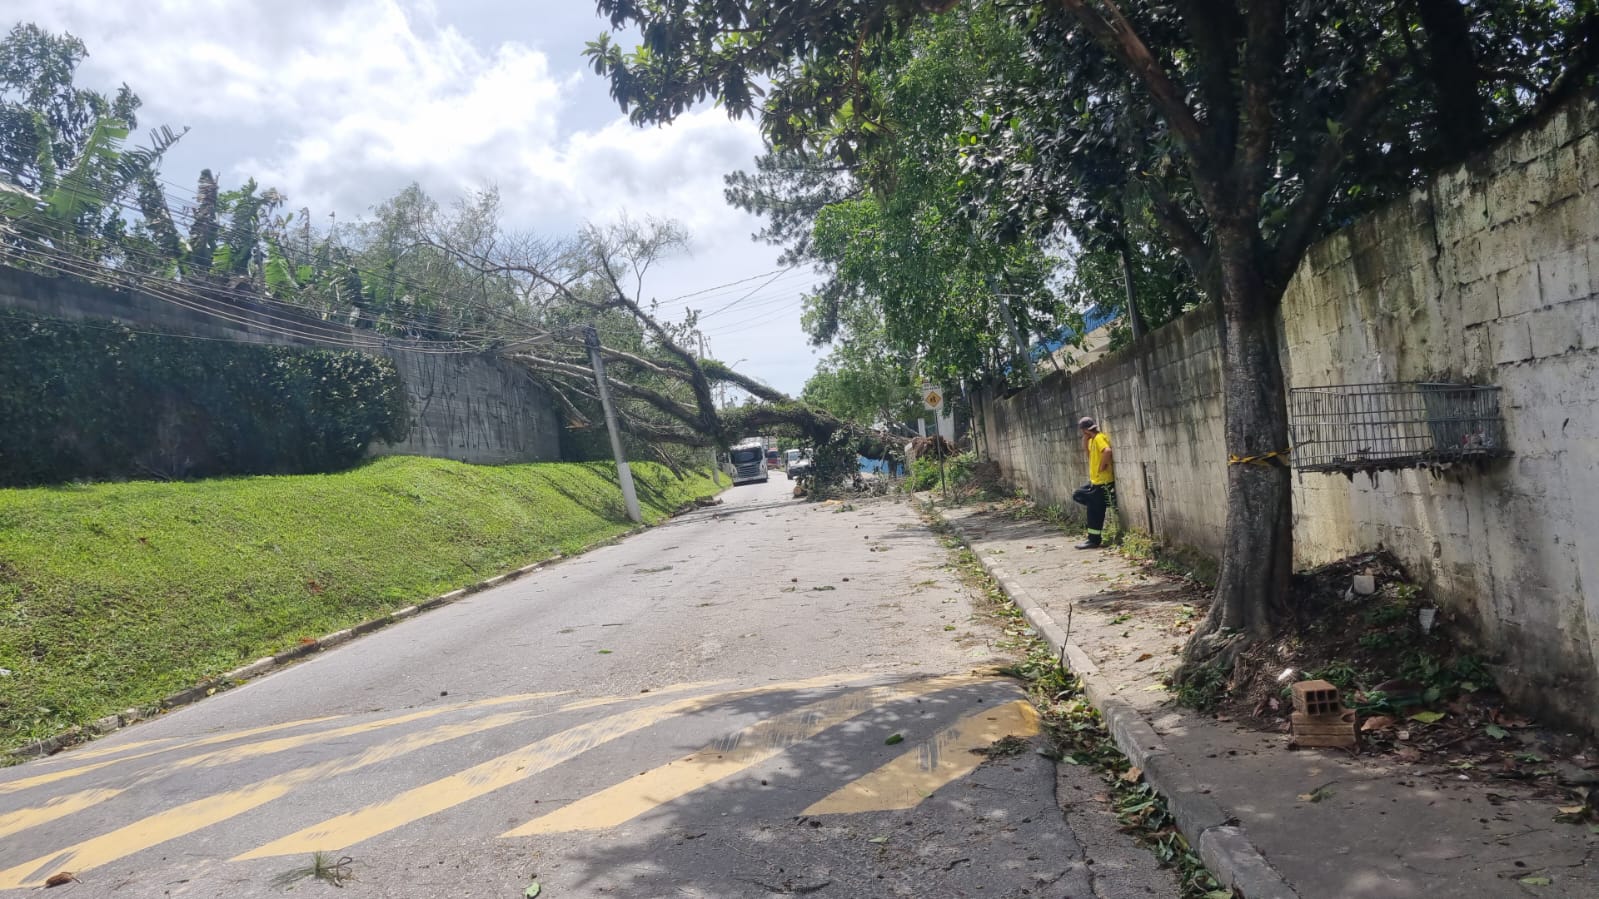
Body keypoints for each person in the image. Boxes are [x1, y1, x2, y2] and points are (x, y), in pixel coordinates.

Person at [1074, 416, 1115, 549]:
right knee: (1079, 495)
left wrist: (1102, 466)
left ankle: (1093, 540)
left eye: (1083, 431)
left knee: (1094, 512)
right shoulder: (1092, 440)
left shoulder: (1098, 438)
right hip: (1095, 482)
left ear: (1085, 430)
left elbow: (1107, 451)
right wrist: (1085, 441)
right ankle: (1093, 538)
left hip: (1102, 482)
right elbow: (1089, 455)